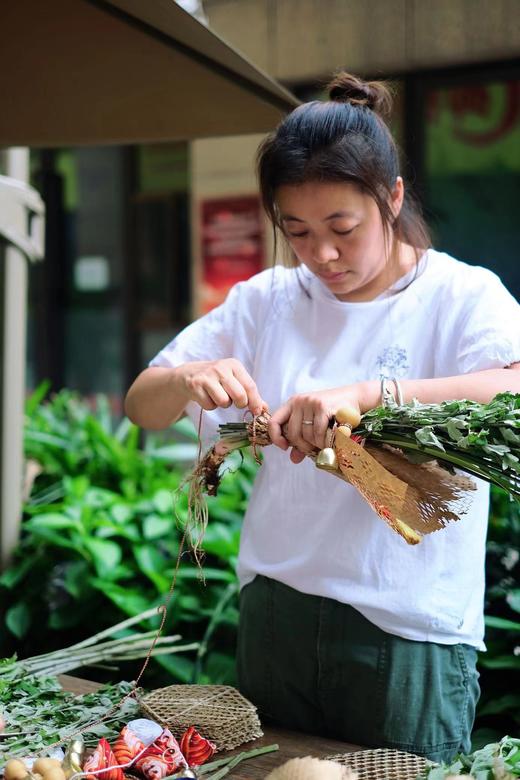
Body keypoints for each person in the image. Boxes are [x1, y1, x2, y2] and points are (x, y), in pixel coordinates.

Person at [124, 72, 520, 762]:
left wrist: (371, 395)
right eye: (297, 231)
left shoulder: (463, 296)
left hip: (405, 627)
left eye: (343, 228)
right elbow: (142, 403)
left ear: (392, 199)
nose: (322, 255)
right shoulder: (269, 299)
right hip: (277, 609)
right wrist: (189, 374)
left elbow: (508, 391)